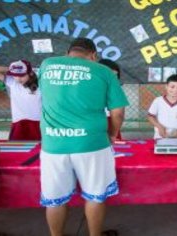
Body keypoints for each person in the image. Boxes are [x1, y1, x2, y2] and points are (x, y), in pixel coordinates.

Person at [38, 37, 129, 236]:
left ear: (68, 52)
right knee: (95, 196)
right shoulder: (103, 71)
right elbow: (118, 113)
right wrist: (112, 134)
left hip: (54, 145)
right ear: (94, 56)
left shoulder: (47, 65)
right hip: (92, 143)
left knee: (55, 198)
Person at [0, 60, 41, 141]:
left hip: (38, 123)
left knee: (38, 151)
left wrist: (32, 70)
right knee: (16, 151)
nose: (18, 79)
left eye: (22, 75)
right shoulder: (12, 82)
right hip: (18, 124)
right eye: (15, 75)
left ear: (30, 73)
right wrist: (12, 69)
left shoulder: (41, 83)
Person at [147, 74, 177, 139]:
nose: (175, 90)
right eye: (172, 87)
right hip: (160, 136)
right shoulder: (158, 101)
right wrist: (159, 127)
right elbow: (150, 116)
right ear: (166, 86)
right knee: (161, 149)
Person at [99, 59, 124, 140]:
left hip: (112, 125)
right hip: (98, 125)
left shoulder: (116, 90)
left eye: (116, 75)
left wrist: (114, 134)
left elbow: (118, 115)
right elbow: (118, 114)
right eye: (111, 75)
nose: (114, 79)